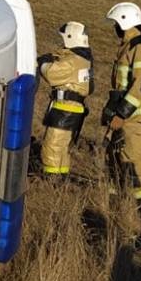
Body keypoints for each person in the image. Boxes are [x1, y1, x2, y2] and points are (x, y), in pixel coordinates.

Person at [102, 2, 141, 221]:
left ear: (124, 22)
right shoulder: (128, 46)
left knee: (131, 161)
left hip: (133, 117)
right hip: (122, 115)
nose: (114, 29)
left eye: (116, 24)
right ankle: (115, 205)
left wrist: (122, 113)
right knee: (113, 158)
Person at [36, 21, 94, 177]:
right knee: (62, 148)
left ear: (70, 38)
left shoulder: (72, 61)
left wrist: (42, 62)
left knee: (52, 146)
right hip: (73, 109)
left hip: (65, 110)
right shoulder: (83, 59)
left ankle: (52, 180)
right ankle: (61, 177)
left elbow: (51, 73)